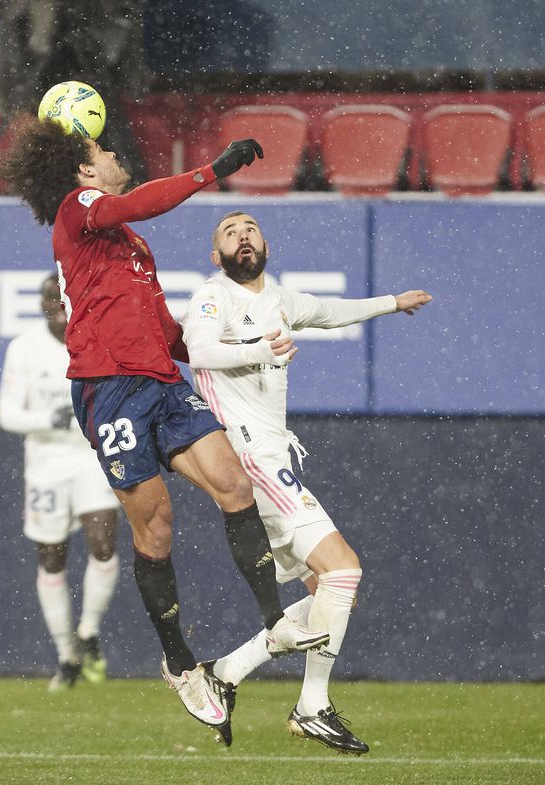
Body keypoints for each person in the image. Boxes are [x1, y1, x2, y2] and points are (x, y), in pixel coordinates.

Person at [0, 121, 328, 745]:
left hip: (161, 382)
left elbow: (168, 334)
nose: (115, 153)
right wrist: (212, 170)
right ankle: (179, 662)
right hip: (109, 388)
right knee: (156, 526)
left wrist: (244, 347)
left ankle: (274, 620)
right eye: (103, 149)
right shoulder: (79, 208)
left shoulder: (130, 245)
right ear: (84, 171)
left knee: (234, 484)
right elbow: (144, 199)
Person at [183, 211, 432, 754]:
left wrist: (391, 302)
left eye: (250, 228)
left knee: (331, 593)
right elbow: (198, 350)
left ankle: (223, 672)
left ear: (266, 243)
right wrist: (259, 350)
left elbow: (328, 312)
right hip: (248, 457)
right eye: (230, 231)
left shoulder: (278, 299)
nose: (242, 235)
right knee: (342, 569)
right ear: (215, 255)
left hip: (274, 455)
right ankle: (311, 706)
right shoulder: (212, 295)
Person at [0, 274, 122, 692]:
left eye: (65, 296)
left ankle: (88, 630)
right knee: (52, 559)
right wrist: (48, 419)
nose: (59, 304)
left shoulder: (98, 339)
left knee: (103, 542)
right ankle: (66, 655)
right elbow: (7, 414)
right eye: (52, 297)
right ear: (42, 303)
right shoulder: (24, 348)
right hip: (47, 464)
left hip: (90, 457)